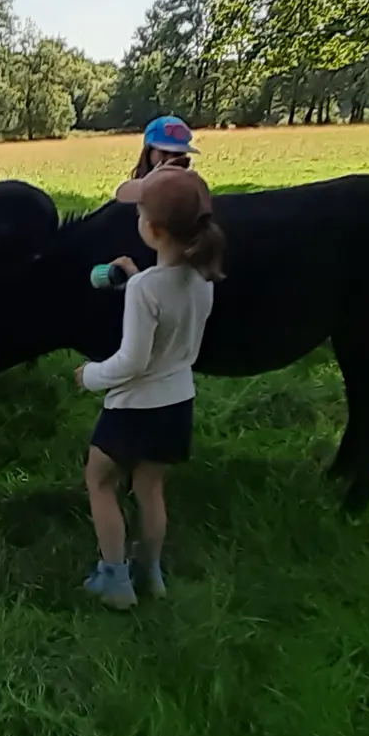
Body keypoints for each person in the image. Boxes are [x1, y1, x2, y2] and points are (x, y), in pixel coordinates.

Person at [75, 166, 225, 609]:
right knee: (150, 489)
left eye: (139, 211)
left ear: (153, 228)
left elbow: (133, 361)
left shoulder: (144, 289)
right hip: (177, 405)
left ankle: (115, 580)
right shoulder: (202, 278)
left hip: (134, 409)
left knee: (99, 481)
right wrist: (139, 276)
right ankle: (152, 572)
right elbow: (171, 312)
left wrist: (90, 376)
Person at [114, 115, 199, 203]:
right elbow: (122, 193)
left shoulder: (191, 186)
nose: (171, 159)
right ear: (149, 151)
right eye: (164, 152)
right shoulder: (133, 189)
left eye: (178, 154)